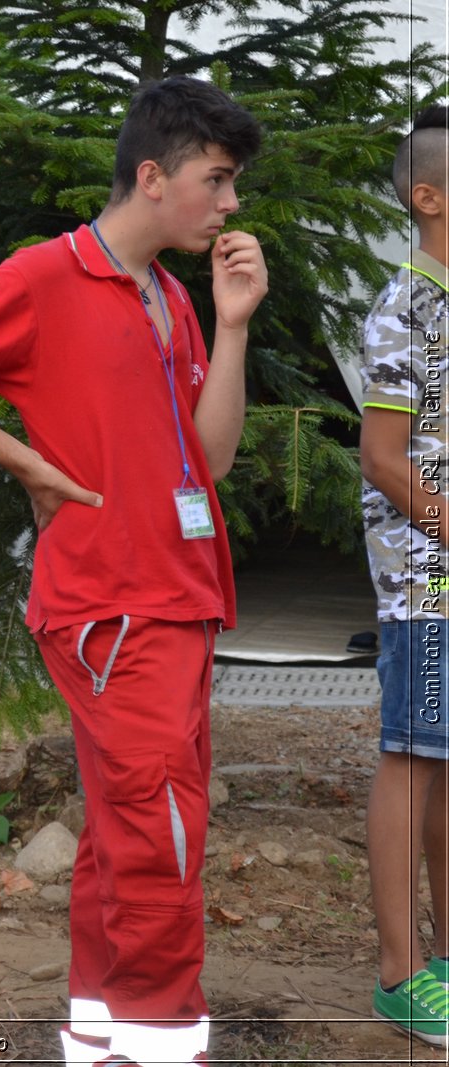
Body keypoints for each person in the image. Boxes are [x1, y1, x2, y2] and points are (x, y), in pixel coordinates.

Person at [0, 76, 268, 1066]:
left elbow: (205, 461)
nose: (228, 205)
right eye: (215, 181)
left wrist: (233, 323)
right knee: (158, 835)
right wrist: (25, 461)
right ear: (151, 174)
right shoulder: (47, 274)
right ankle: (161, 1044)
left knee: (128, 829)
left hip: (174, 596)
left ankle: (100, 1033)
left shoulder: (172, 291)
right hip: (109, 605)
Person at [359, 103, 449, 1045]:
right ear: (428, 199)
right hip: (428, 580)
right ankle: (399, 973)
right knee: (416, 758)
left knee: (446, 764)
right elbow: (384, 457)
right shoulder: (409, 306)